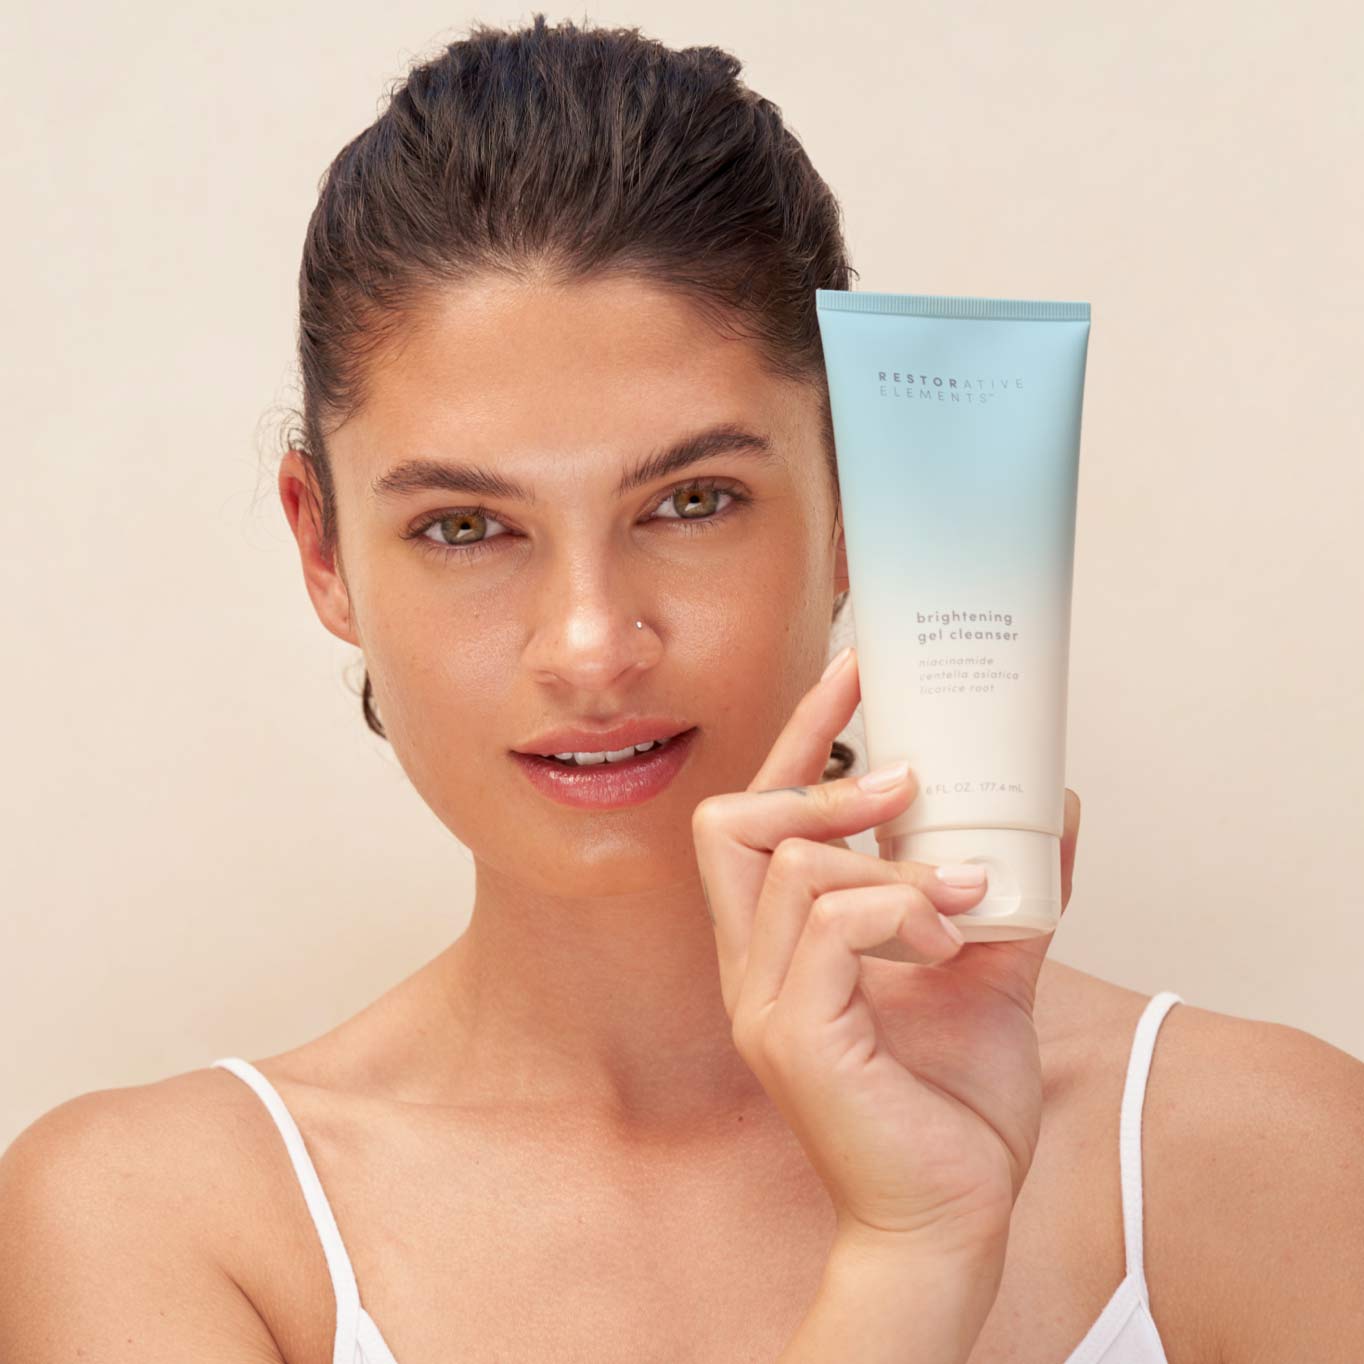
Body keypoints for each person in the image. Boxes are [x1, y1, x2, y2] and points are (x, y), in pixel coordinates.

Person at [3, 13, 1362, 1363]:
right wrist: (914, 1256)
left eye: (692, 501)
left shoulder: (1259, 1159)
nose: (592, 645)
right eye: (466, 527)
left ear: (856, 506)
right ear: (325, 551)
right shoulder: (162, 1227)